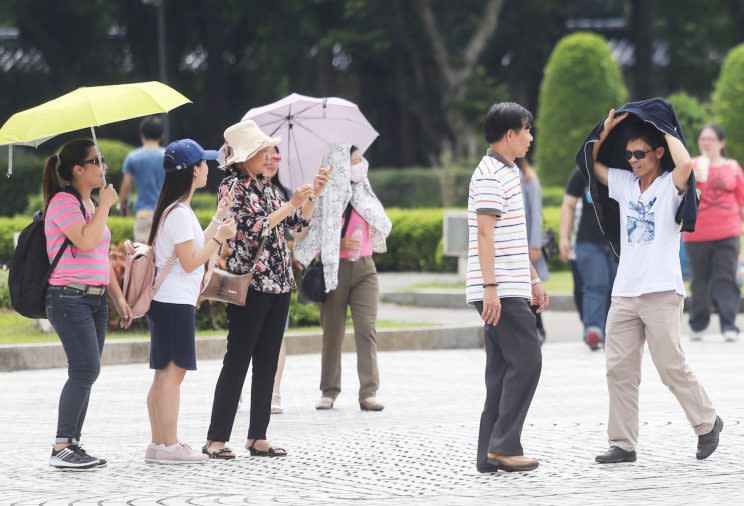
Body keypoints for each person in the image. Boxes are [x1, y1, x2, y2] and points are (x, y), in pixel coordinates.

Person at [591, 109, 723, 464]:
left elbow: (685, 166)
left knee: (670, 366)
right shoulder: (624, 183)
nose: (632, 160)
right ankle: (622, 444)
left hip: (662, 291)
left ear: (658, 153)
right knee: (618, 369)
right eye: (628, 154)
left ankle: (707, 422)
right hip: (624, 293)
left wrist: (664, 128)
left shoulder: (670, 185)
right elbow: (595, 165)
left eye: (639, 154)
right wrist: (605, 130)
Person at [203, 120, 329, 460]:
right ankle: (216, 439)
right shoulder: (232, 187)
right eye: (263, 150)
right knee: (238, 359)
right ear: (246, 155)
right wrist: (289, 206)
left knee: (268, 360)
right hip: (250, 284)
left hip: (279, 283)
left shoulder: (269, 187)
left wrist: (310, 197)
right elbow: (251, 228)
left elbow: (298, 227)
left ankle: (258, 436)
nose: (270, 155)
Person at [467, 102, 548, 474]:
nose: (531, 138)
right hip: (499, 288)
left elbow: (509, 237)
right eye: (527, 130)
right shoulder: (490, 175)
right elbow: (484, 234)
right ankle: (505, 446)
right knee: (528, 360)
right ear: (510, 134)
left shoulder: (507, 171)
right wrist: (491, 287)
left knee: (501, 372)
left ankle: (489, 453)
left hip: (512, 284)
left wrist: (532, 277)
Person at [144, 139, 237, 464]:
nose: (208, 168)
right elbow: (191, 261)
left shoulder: (174, 210)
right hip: (174, 304)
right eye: (204, 163)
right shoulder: (180, 214)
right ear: (193, 171)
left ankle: (158, 445)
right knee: (172, 374)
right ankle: (169, 445)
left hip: (168, 302)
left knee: (164, 373)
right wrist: (221, 237)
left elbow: (192, 249)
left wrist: (217, 219)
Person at [43, 139, 134, 470]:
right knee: (85, 369)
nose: (102, 166)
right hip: (68, 297)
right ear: (78, 169)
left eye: (103, 160)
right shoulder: (63, 203)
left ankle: (72, 443)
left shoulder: (91, 203)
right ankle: (61, 446)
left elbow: (99, 257)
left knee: (87, 371)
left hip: (95, 299)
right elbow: (85, 241)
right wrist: (106, 207)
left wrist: (118, 296)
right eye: (96, 161)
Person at [295, 145, 392, 412]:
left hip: (365, 268)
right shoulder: (326, 198)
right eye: (355, 159)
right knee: (333, 331)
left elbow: (381, 223)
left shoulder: (365, 193)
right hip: (333, 268)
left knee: (366, 329)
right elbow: (313, 233)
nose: (360, 164)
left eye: (361, 159)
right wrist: (340, 243)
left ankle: (368, 393)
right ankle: (329, 391)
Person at [682, 124, 744, 343]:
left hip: (728, 232)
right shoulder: (690, 165)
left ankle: (729, 325)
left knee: (725, 278)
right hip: (697, 233)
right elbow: (682, 197)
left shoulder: (733, 167)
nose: (706, 143)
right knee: (700, 281)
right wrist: (693, 180)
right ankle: (698, 323)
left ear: (721, 142)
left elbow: (741, 199)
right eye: (703, 139)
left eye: (711, 139)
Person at [560, 167, 618, 350]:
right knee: (595, 285)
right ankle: (594, 329)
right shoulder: (582, 174)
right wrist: (563, 237)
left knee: (617, 290)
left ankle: (613, 332)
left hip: (619, 243)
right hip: (589, 242)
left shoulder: (624, 170)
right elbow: (568, 205)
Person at [517, 156, 549, 345]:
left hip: (528, 244)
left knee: (531, 290)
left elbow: (536, 213)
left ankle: (538, 328)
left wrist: (535, 244)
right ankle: (534, 328)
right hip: (518, 244)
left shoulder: (529, 179)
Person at [119, 116, 166, 242]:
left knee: (142, 255)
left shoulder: (133, 157)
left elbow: (125, 187)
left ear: (142, 134)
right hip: (164, 213)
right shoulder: (167, 156)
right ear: (161, 135)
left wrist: (123, 208)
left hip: (143, 213)